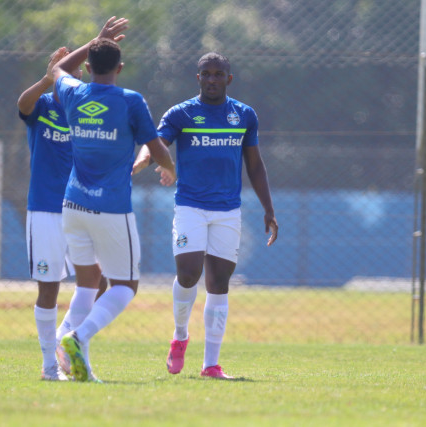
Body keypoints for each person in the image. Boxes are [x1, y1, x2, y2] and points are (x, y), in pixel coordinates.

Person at [133, 52, 278, 379]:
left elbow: (254, 165)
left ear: (229, 78)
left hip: (228, 210)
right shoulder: (181, 113)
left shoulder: (244, 115)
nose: (212, 79)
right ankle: (180, 336)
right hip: (190, 206)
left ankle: (211, 365)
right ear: (197, 78)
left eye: (218, 74)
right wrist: (142, 161)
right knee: (188, 274)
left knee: (219, 283)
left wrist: (269, 209)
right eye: (206, 74)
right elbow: (156, 144)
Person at [52, 17, 176, 382]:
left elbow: (57, 68)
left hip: (72, 205)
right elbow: (157, 149)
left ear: (88, 67)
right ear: (120, 68)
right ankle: (78, 337)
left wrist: (94, 40)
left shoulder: (74, 91)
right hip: (110, 210)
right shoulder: (131, 100)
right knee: (124, 286)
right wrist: (170, 170)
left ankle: (70, 358)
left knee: (88, 284)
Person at [17, 46, 108, 381]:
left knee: (100, 277)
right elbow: (22, 105)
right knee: (49, 289)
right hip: (45, 209)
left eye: (76, 72)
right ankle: (49, 366)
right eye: (61, 71)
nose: (70, 78)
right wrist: (45, 78)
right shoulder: (42, 106)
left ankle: (64, 338)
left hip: (82, 208)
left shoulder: (87, 111)